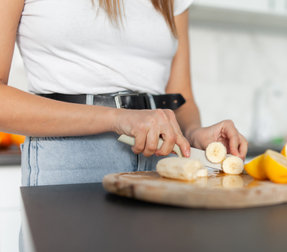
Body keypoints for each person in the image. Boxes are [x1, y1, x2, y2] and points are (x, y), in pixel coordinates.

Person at [0, 0, 248, 186]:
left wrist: (194, 133)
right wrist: (117, 118)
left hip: (159, 162)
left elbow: (181, 98)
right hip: (70, 163)